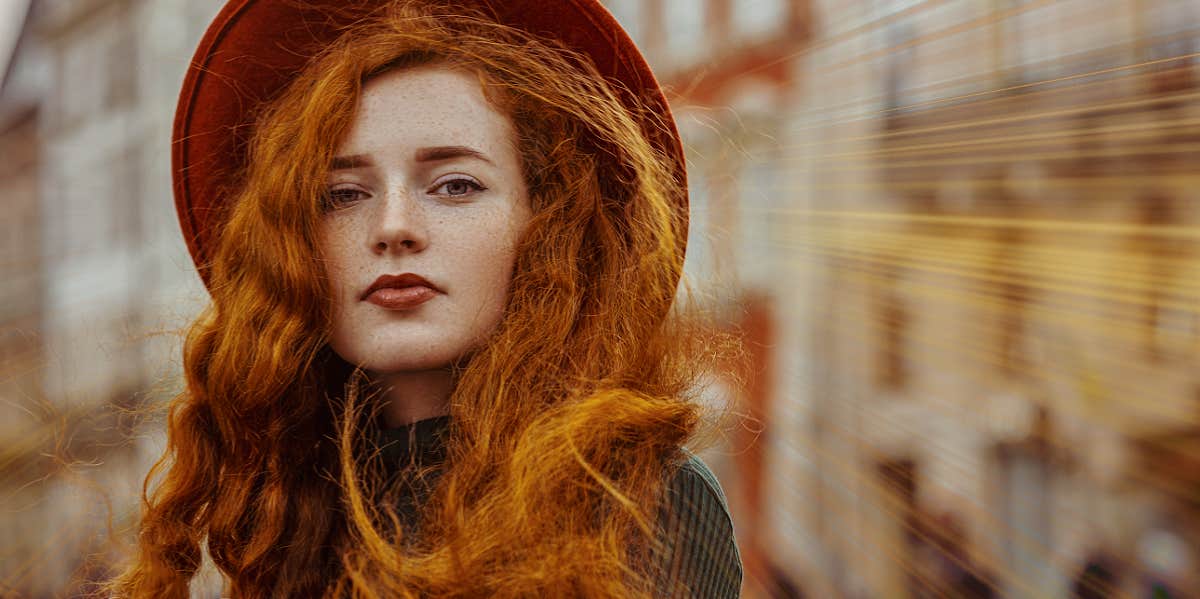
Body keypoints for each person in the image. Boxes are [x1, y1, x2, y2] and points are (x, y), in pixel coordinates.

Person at [108, 1, 742, 597]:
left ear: (547, 226)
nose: (392, 226)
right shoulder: (284, 510)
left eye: (455, 185)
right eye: (342, 195)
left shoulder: (637, 498)